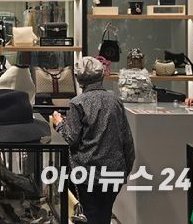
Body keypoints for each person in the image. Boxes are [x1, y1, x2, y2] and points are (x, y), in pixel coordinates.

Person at [52, 56, 135, 224]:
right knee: (104, 214)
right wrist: (125, 169)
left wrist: (59, 123)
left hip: (87, 173)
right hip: (114, 172)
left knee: (90, 215)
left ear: (78, 78)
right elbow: (127, 140)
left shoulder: (78, 103)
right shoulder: (115, 101)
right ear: (102, 75)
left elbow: (70, 139)